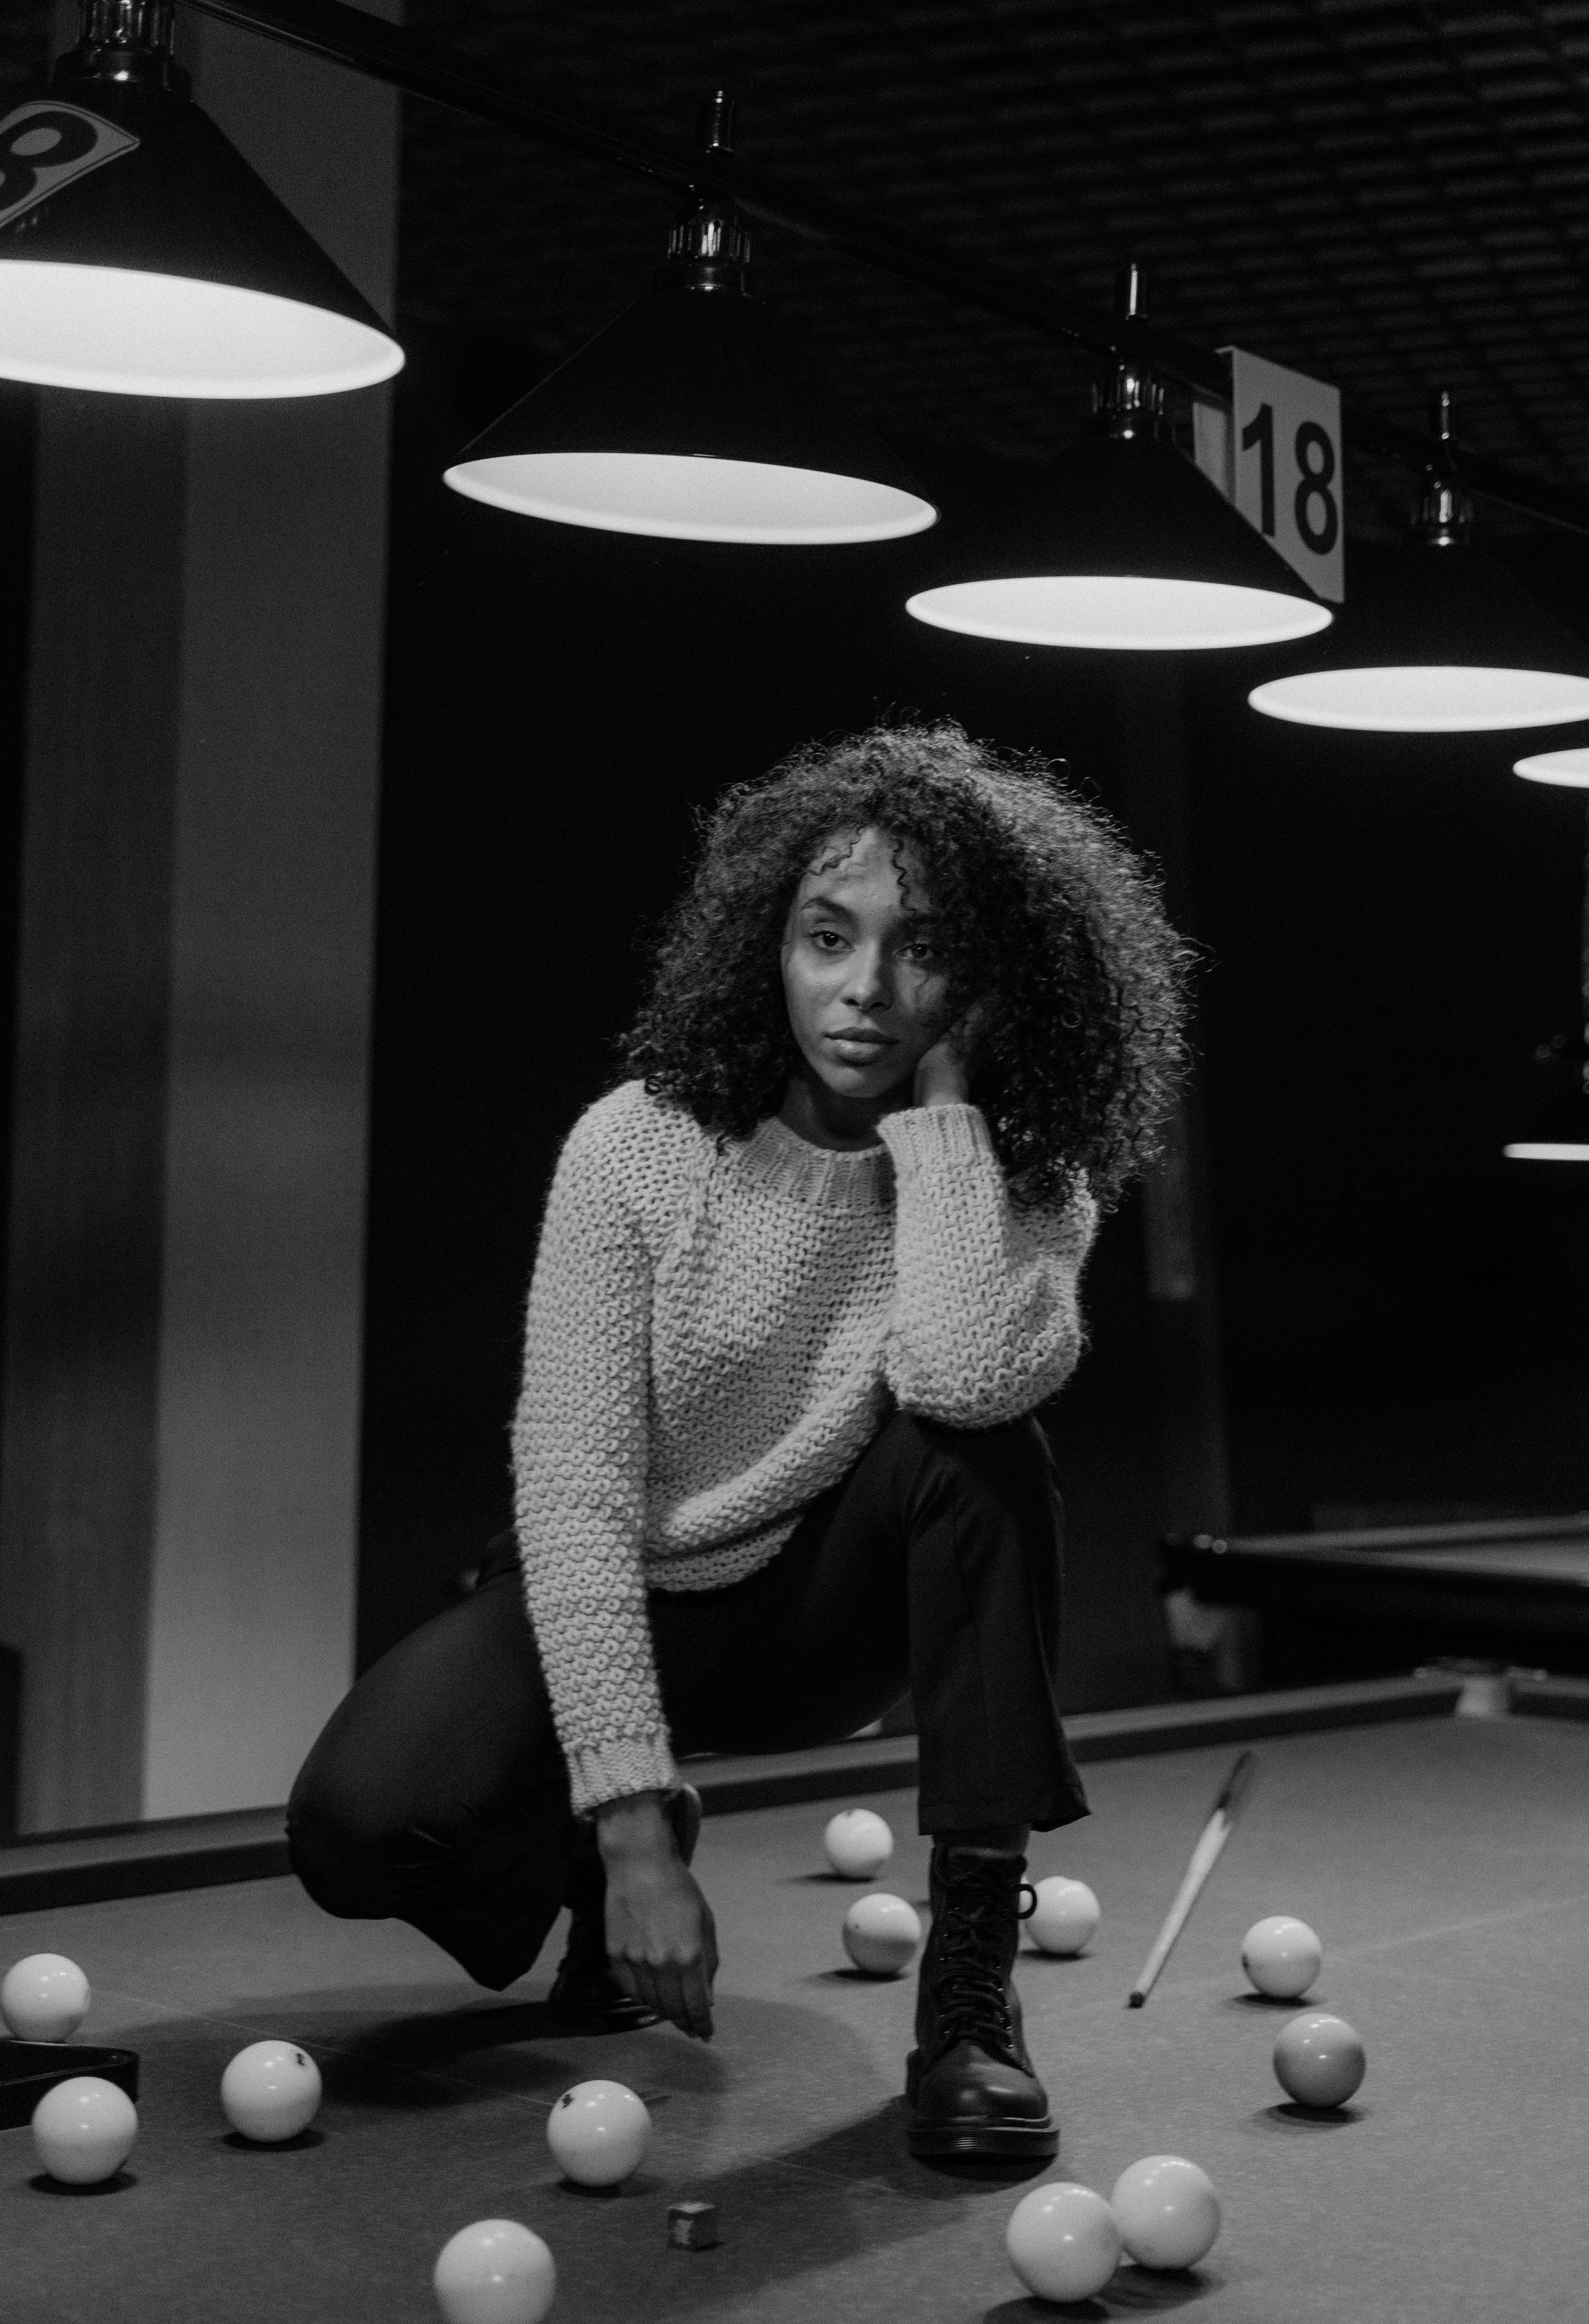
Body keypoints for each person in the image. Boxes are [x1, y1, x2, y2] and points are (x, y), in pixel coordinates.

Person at [287, 718, 1192, 2161]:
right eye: (828, 938)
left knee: (983, 1456)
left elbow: (964, 1378)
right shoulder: (635, 1146)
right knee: (353, 1830)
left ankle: (968, 2001)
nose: (866, 991)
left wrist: (947, 1121)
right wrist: (635, 1829)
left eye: (925, 951)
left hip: (824, 1617)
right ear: (769, 943)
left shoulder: (1026, 1182)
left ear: (993, 982)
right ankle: (592, 1863)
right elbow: (574, 1489)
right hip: (627, 1590)